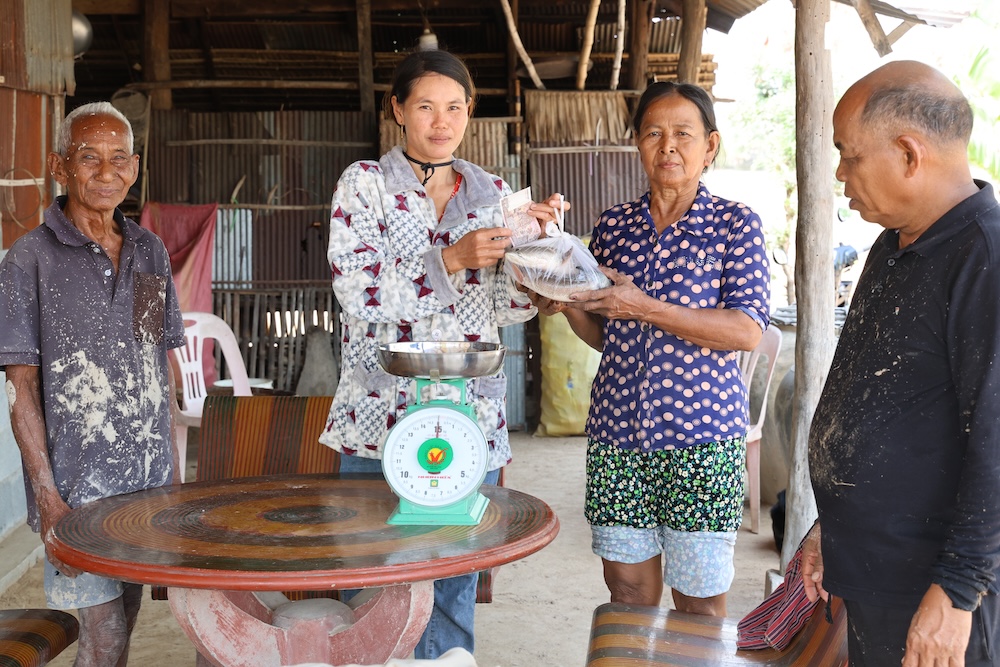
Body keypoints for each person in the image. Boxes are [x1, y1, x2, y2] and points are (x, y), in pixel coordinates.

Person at [318, 49, 566, 658]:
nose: (440, 121)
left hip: (468, 414)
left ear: (469, 113)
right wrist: (452, 257)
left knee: (455, 574)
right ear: (397, 109)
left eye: (454, 107)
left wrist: (543, 271)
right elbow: (357, 292)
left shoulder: (495, 193)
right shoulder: (365, 184)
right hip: (378, 414)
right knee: (372, 577)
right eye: (425, 106)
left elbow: (504, 307)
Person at [529, 81, 770, 617]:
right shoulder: (615, 224)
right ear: (636, 143)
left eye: (683, 134)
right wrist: (567, 303)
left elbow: (746, 330)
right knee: (628, 595)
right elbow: (603, 332)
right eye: (654, 133)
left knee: (699, 605)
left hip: (701, 442)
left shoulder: (734, 224)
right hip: (617, 435)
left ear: (710, 146)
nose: (668, 147)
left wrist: (646, 306)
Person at [800, 60, 1000, 666]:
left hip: (935, 590)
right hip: (874, 570)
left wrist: (958, 591)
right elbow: (871, 393)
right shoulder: (892, 245)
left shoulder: (985, 260)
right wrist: (827, 527)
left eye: (849, 155)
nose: (840, 175)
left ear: (909, 154)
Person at [0, 102, 185, 666]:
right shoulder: (28, 259)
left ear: (134, 168)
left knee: (124, 626)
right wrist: (47, 497)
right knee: (102, 640)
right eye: (88, 159)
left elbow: (157, 364)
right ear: (60, 166)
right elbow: (21, 391)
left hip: (145, 490)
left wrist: (173, 477)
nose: (106, 174)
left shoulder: (149, 249)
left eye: (117, 160)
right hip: (76, 494)